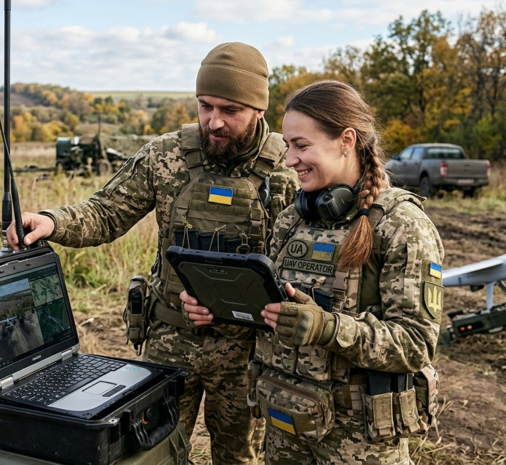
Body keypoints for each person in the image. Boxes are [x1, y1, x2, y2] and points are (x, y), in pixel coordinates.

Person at [8, 42, 298, 464]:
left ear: (259, 109)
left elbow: (303, 267)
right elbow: (106, 211)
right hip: (171, 339)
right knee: (151, 454)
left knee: (238, 457)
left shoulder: (290, 168)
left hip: (248, 350)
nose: (214, 121)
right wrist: (53, 221)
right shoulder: (166, 156)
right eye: (205, 106)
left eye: (230, 110)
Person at [182, 80, 444, 464]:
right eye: (288, 145)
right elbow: (272, 317)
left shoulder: (401, 225)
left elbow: (416, 344)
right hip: (285, 425)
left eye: (301, 146)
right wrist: (218, 308)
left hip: (359, 443)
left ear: (346, 140)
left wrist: (327, 328)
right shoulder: (292, 218)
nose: (289, 160)